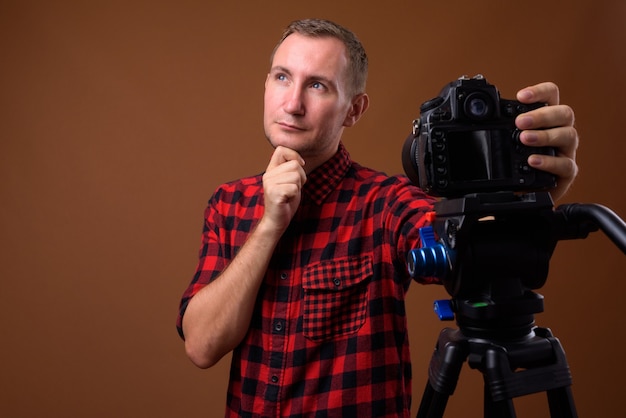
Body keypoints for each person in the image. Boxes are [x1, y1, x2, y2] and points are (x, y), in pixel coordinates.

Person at [176, 18, 579, 417]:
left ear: (354, 109)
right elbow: (202, 345)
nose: (293, 104)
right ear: (266, 85)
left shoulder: (387, 203)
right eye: (283, 77)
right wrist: (269, 225)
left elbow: (467, 255)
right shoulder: (229, 203)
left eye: (318, 85)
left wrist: (528, 201)